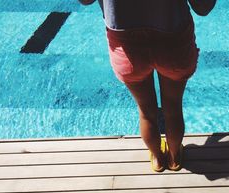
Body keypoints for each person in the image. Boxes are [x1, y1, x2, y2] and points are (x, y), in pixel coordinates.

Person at [79, 0, 216, 172]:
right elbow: (203, 7)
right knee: (173, 108)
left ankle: (158, 159)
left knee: (146, 112)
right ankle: (174, 158)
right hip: (173, 41)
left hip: (126, 46)